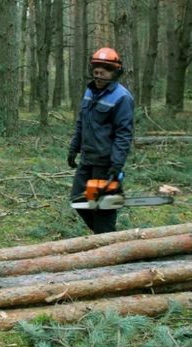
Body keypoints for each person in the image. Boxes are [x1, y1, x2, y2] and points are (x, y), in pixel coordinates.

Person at [67, 47, 134, 234]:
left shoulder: (121, 97)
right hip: (87, 159)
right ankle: (102, 238)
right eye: (96, 72)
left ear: (114, 72)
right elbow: (82, 122)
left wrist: (116, 165)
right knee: (78, 200)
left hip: (105, 162)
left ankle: (105, 243)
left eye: (103, 72)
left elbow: (124, 134)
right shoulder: (89, 92)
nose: (98, 76)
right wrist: (74, 148)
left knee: (103, 207)